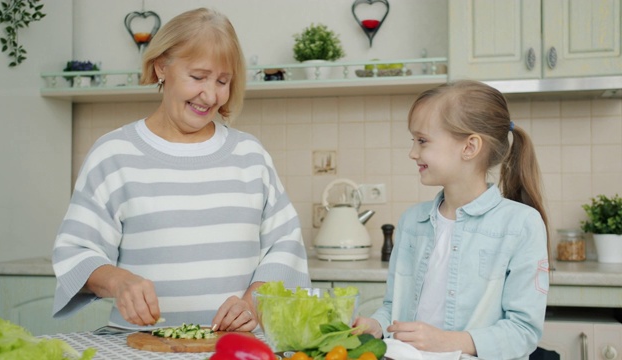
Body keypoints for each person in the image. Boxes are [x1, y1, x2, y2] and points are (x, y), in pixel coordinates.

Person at [51, 8, 310, 332]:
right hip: (136, 345)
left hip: (232, 347)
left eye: (223, 81)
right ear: (162, 67)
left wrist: (252, 304)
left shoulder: (250, 156)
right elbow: (76, 251)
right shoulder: (113, 154)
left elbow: (285, 246)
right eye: (198, 77)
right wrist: (118, 282)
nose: (210, 94)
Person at [353, 80, 550, 360]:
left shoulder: (521, 225)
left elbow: (523, 332)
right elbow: (394, 309)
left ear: (470, 147)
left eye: (422, 140)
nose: (412, 152)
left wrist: (446, 341)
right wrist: (376, 325)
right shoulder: (412, 222)